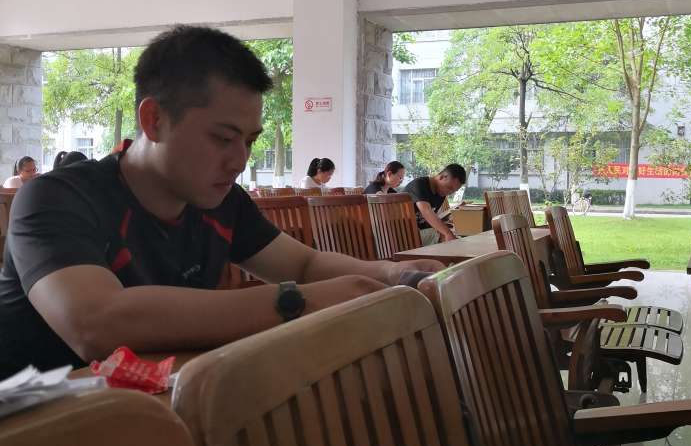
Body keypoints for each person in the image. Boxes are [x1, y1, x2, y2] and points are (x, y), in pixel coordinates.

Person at [0, 25, 441, 379]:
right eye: (222, 138)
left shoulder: (221, 201)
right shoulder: (56, 198)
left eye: (249, 141)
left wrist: (393, 274)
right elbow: (97, 324)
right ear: (154, 119)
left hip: (161, 406)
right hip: (41, 434)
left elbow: (304, 265)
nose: (240, 160)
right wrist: (295, 301)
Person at [404, 164, 467, 245]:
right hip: (403, 234)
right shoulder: (419, 185)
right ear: (442, 177)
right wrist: (447, 233)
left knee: (456, 237)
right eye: (449, 188)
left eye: (454, 191)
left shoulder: (440, 194)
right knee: (445, 237)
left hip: (419, 233)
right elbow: (426, 211)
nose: (450, 193)